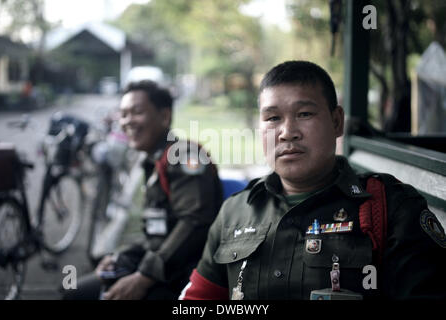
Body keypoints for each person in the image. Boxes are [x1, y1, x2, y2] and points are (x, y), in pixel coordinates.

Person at [179, 60, 446, 300]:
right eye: (272, 118)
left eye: (304, 114)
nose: (287, 133)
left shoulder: (391, 207)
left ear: (336, 121)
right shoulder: (235, 212)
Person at [62, 80, 223, 300]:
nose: (127, 121)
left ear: (164, 116)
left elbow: (194, 222)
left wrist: (144, 276)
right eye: (124, 114)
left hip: (186, 276)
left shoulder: (184, 155)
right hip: (161, 266)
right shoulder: (153, 161)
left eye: (136, 112)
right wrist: (122, 256)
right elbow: (156, 234)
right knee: (70, 290)